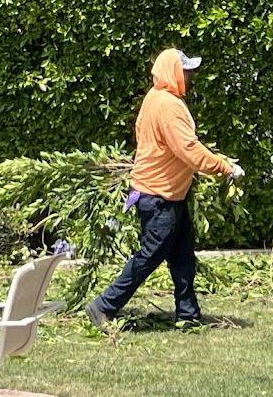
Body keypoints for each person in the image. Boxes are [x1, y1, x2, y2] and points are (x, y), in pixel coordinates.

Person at [85, 48, 244, 331]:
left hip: (167, 195)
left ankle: (188, 315)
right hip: (159, 196)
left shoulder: (154, 98)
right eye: (186, 71)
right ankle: (103, 306)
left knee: (183, 257)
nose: (190, 76)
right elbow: (189, 150)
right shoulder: (168, 106)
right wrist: (226, 168)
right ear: (173, 71)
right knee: (149, 257)